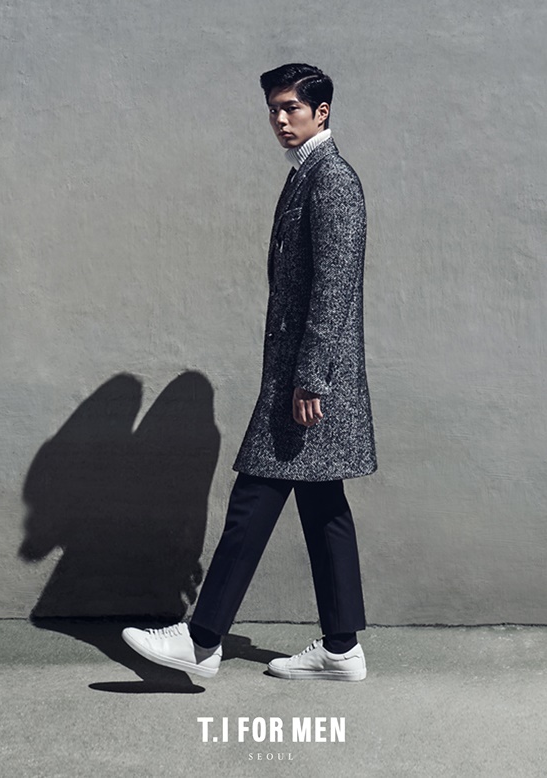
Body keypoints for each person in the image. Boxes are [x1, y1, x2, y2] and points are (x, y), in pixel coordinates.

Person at [122, 63, 378, 681]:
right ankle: (341, 650)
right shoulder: (308, 174)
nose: (280, 119)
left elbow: (334, 287)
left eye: (292, 108)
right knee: (324, 509)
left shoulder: (332, 180)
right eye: (273, 109)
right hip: (303, 377)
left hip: (308, 383)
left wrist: (311, 377)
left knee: (254, 498)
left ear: (322, 112)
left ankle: (202, 640)